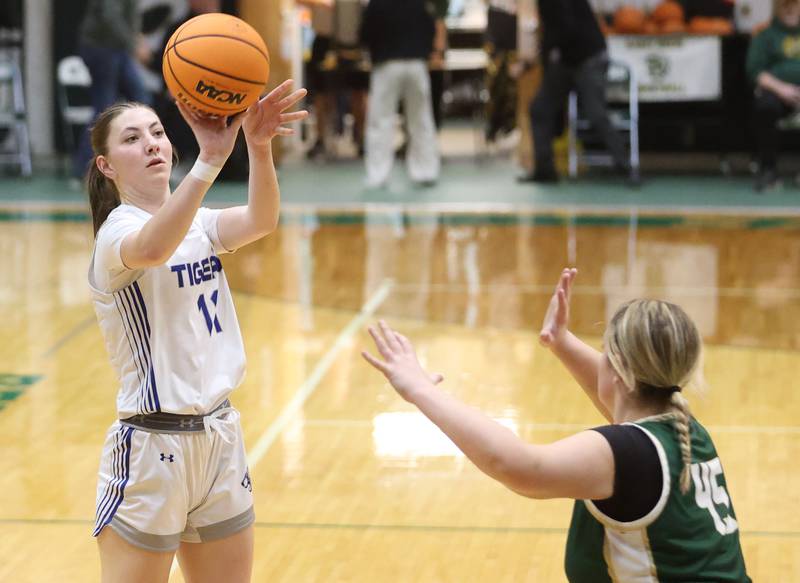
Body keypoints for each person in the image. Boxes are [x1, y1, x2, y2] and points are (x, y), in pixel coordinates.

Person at [362, 268, 751, 582]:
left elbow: (517, 466)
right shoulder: (682, 426)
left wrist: (420, 391)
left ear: (618, 371)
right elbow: (619, 395)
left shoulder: (627, 454)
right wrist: (561, 342)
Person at [86, 81, 307, 583]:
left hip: (219, 437)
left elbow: (262, 219)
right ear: (106, 165)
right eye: (132, 139)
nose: (151, 143)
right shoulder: (117, 235)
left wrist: (258, 145)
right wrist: (208, 163)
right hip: (150, 449)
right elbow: (153, 249)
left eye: (158, 132)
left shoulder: (199, 224)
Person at [518, 0, 631, 184]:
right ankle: (544, 170)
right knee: (539, 109)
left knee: (596, 113)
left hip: (588, 57)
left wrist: (541, 58)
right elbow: (554, 33)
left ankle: (625, 166)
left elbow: (563, 29)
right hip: (567, 60)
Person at [360, 0, 441, 187]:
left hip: (387, 64)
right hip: (416, 64)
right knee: (421, 119)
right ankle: (426, 171)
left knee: (381, 121)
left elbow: (366, 32)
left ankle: (377, 174)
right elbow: (430, 28)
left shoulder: (377, 3)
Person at [73, 0, 153, 180]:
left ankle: (142, 160)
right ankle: (88, 166)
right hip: (102, 47)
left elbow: (127, 16)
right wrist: (134, 44)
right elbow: (111, 16)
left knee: (142, 102)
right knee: (105, 108)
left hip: (116, 47)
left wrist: (136, 39)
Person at [746, 0, 800, 192]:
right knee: (766, 106)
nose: (790, 10)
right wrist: (781, 89)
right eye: (785, 6)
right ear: (777, 8)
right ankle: (768, 169)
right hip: (779, 92)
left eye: (794, 5)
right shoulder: (766, 35)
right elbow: (755, 71)